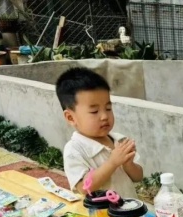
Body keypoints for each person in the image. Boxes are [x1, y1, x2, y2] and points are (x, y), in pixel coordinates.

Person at [55, 67, 143, 198]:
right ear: (71, 117)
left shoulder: (120, 140)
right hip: (102, 211)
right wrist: (112, 162)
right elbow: (84, 187)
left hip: (129, 208)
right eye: (94, 111)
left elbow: (138, 177)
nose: (104, 116)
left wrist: (128, 164)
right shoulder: (74, 150)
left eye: (108, 108)